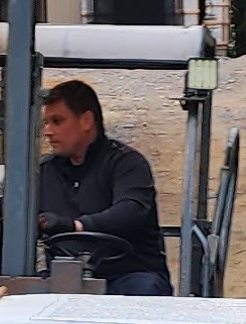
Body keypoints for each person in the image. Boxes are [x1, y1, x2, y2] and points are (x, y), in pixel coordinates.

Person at [35, 78, 171, 293]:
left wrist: (76, 226)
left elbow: (130, 210)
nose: (48, 132)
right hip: (65, 277)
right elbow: (11, 208)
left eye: (57, 121)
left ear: (86, 121)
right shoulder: (45, 172)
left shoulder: (127, 164)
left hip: (127, 276)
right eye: (46, 123)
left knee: (146, 289)